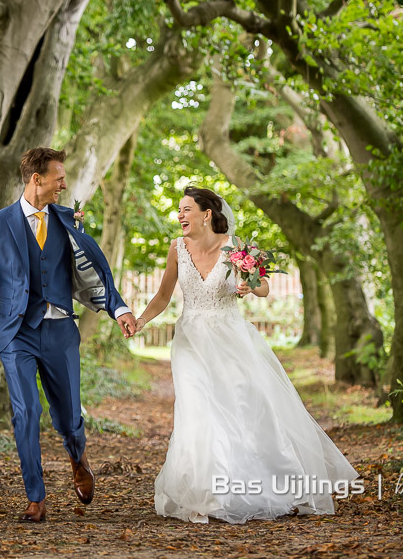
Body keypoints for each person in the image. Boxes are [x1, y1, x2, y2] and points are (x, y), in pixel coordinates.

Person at [0, 147, 137, 523]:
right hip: (16, 332)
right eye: (59, 177)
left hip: (60, 330)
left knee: (70, 414)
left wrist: (117, 308)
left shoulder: (67, 219)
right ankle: (35, 497)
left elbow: (92, 269)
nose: (64, 183)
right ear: (35, 179)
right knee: (26, 413)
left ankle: (78, 457)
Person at [134, 186, 359, 524]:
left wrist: (249, 285)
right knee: (197, 410)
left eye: (186, 209)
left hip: (230, 338)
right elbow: (163, 295)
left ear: (206, 214)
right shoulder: (176, 248)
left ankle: (266, 485)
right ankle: (206, 494)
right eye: (179, 210)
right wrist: (139, 321)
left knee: (241, 407)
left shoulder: (237, 249)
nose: (180, 216)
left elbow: (264, 286)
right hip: (190, 341)